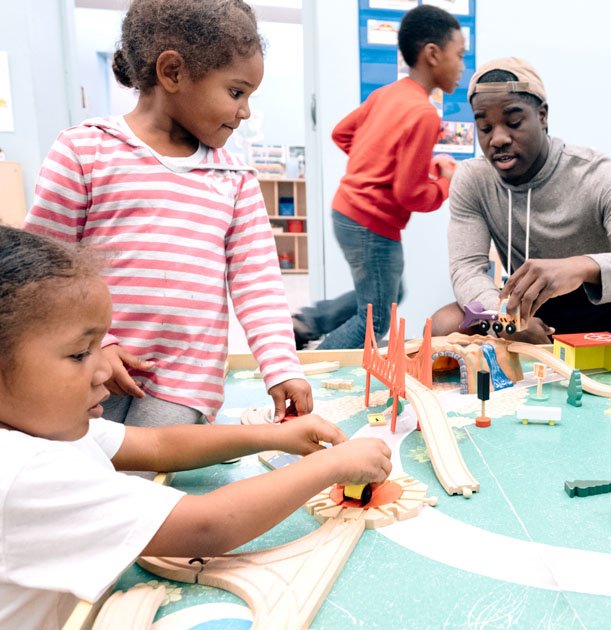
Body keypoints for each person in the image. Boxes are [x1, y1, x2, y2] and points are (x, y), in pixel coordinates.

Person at [0, 225, 392, 630]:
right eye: (80, 353)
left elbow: (156, 445)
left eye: (102, 345)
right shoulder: (21, 469)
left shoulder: (45, 426)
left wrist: (274, 435)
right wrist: (331, 466)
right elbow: (207, 525)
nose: (104, 368)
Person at [25, 0, 311, 426]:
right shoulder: (84, 150)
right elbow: (44, 270)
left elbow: (258, 283)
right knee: (84, 476)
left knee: (150, 482)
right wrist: (97, 346)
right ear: (173, 72)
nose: (245, 111)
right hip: (90, 367)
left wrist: (281, 366)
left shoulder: (234, 177)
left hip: (183, 379)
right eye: (236, 92)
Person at [431, 58, 611, 395]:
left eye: (513, 121)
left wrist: (581, 267)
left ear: (542, 115)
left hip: (610, 302)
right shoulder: (473, 179)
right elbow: (466, 267)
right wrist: (505, 320)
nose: (498, 139)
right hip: (528, 305)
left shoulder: (597, 173)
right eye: (485, 127)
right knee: (443, 327)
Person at [293, 4, 465, 350]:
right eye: (458, 55)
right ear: (432, 54)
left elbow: (343, 134)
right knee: (373, 321)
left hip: (347, 212)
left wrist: (375, 168)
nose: (461, 66)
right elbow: (409, 193)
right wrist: (445, 182)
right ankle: (312, 374)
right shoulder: (424, 114)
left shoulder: (387, 94)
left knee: (388, 291)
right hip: (373, 225)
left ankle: (306, 323)